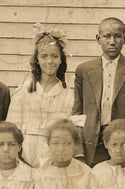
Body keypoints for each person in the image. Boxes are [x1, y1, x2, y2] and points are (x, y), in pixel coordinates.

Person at [72, 17, 125, 166]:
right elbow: (77, 113)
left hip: (122, 143)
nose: (112, 41)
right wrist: (79, 150)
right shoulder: (84, 70)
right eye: (107, 36)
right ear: (98, 39)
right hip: (92, 143)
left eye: (117, 36)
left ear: (124, 39)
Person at [7, 25, 74, 167]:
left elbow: (68, 134)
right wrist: (20, 160)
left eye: (55, 56)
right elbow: (12, 130)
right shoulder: (24, 91)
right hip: (23, 160)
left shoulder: (68, 95)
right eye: (44, 56)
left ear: (61, 59)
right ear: (37, 59)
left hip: (54, 161)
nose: (49, 61)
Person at [33, 119, 91, 189]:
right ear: (48, 144)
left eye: (67, 143)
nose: (61, 149)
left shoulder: (86, 172)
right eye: (55, 143)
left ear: (76, 145)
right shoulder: (40, 174)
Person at [0, 121, 34, 189]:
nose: (6, 149)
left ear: (19, 147)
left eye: (11, 144)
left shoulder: (31, 176)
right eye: (0, 144)